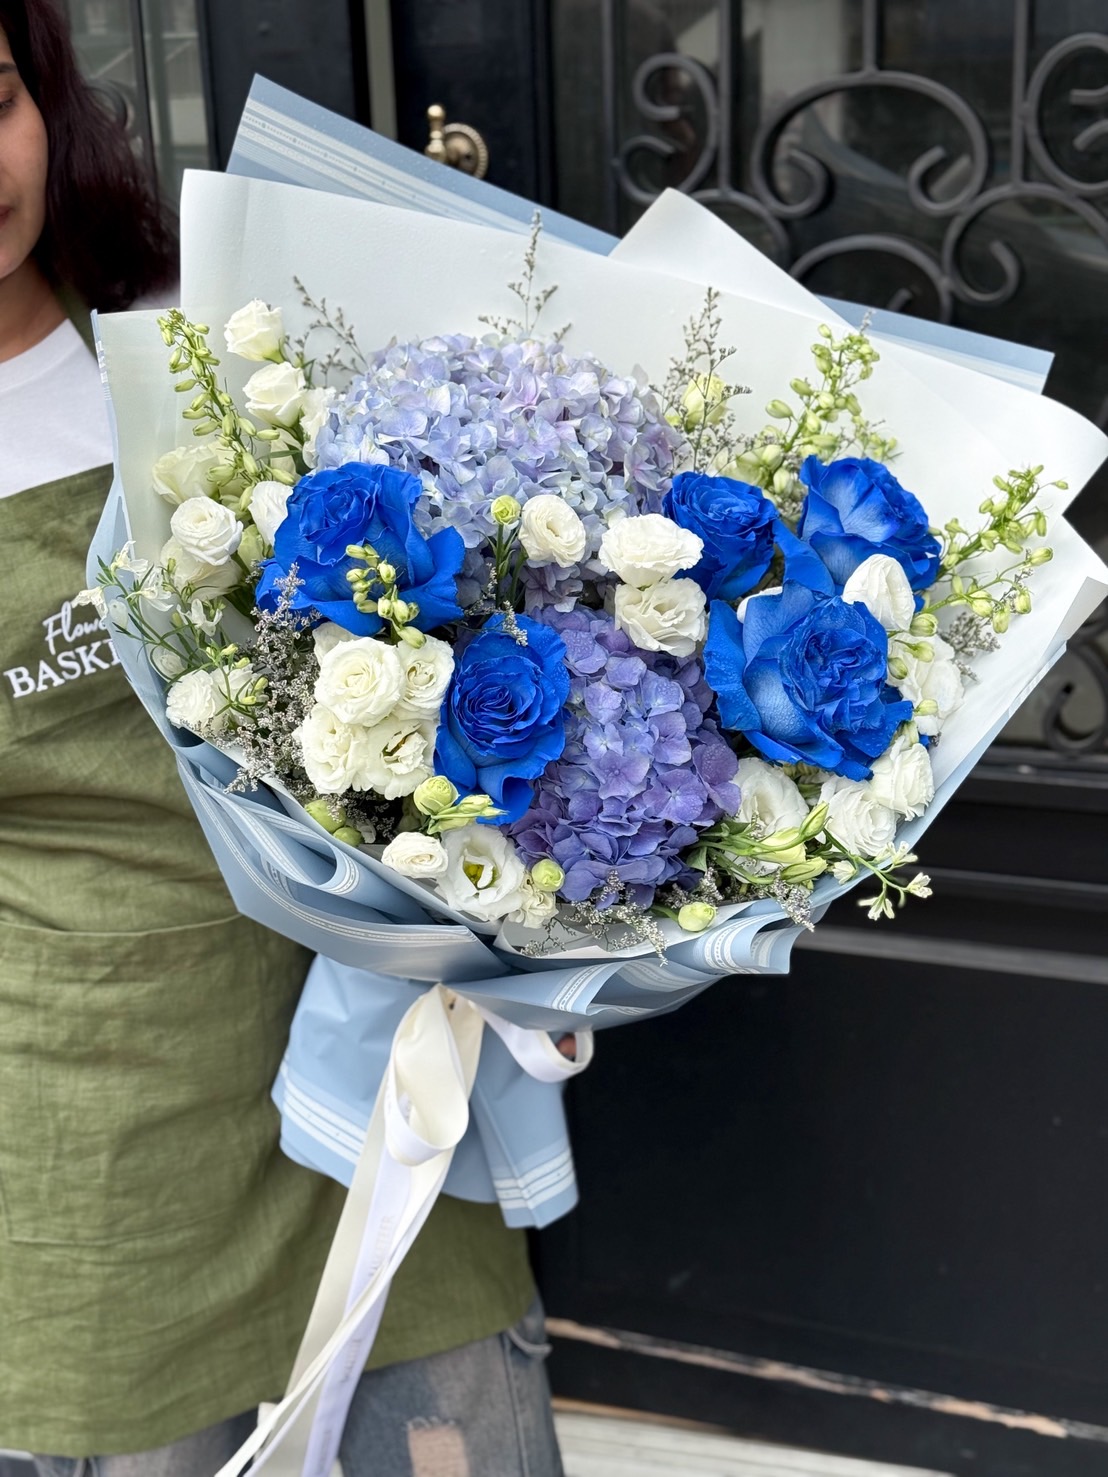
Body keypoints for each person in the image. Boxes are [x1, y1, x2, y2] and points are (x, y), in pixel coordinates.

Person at [0, 3, 564, 1473]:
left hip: (370, 1056)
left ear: (48, 105)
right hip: (88, 1109)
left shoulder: (209, 336)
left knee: (466, 1436)